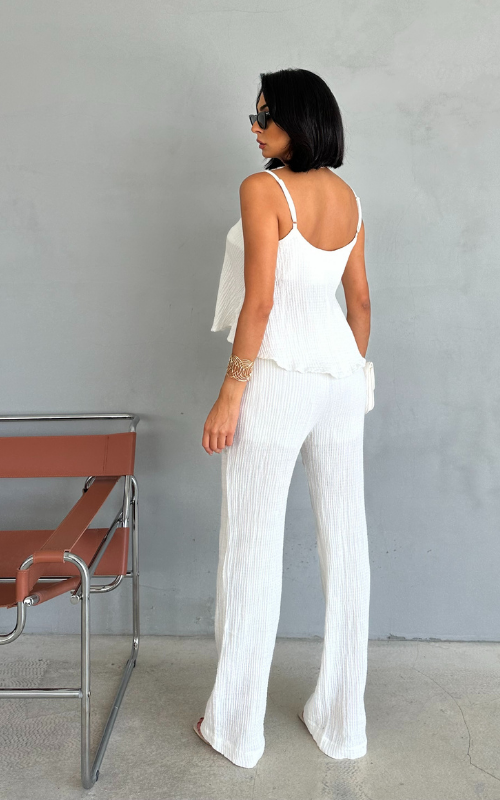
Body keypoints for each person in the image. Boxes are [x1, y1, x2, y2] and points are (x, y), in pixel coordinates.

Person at [194, 68, 372, 769]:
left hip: (276, 375)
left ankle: (236, 727)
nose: (255, 126)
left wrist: (230, 393)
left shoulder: (262, 190)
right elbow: (360, 305)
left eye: (265, 115)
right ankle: (341, 724)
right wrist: (349, 372)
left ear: (300, 121)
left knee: (252, 544)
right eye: (255, 114)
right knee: (347, 543)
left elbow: (261, 302)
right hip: (341, 378)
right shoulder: (349, 199)